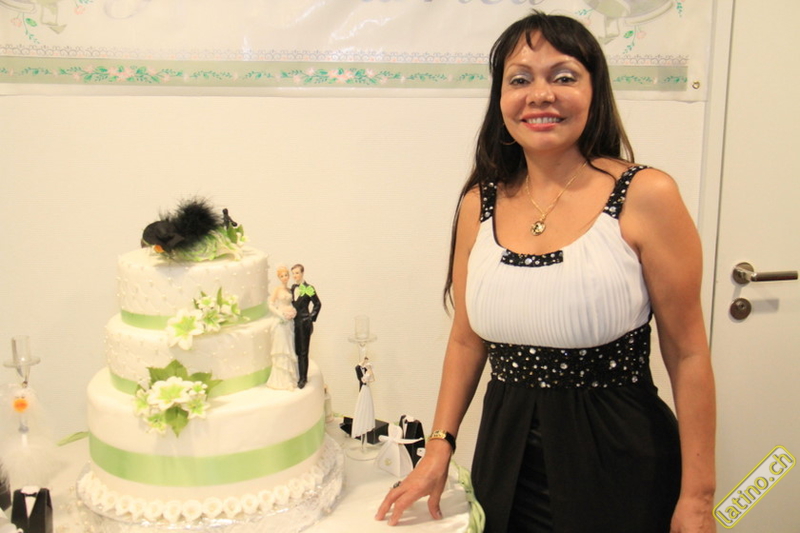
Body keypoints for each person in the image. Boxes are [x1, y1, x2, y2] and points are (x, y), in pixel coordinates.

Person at [376, 11, 715, 533]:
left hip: (620, 461)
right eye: (520, 79)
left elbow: (688, 352)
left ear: (594, 92)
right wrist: (439, 448)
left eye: (564, 76)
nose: (540, 95)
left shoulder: (646, 195)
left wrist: (698, 498)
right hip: (505, 457)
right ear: (501, 99)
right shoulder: (479, 203)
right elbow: (466, 339)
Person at [266, 266, 299, 391]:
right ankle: (281, 381)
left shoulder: (290, 290)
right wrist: (280, 314)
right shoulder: (277, 290)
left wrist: (293, 311)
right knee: (282, 348)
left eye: (286, 275)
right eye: (282, 276)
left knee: (289, 347)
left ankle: (290, 379)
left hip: (289, 322)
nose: (284, 277)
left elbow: (292, 303)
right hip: (280, 321)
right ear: (279, 277)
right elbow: (270, 304)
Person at [290, 264, 321, 389]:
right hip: (293, 323)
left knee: (303, 352)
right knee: (296, 350)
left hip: (304, 324)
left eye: (297, 273)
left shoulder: (308, 288)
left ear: (302, 273)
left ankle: (303, 378)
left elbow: (317, 304)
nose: (295, 276)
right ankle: (297, 374)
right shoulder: (293, 288)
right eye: (293, 273)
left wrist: (310, 317)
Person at [351, 356, 376, 440]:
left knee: (367, 405)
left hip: (367, 388)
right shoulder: (361, 368)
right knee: (362, 404)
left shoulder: (368, 371)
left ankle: (366, 423)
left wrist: (367, 379)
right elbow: (361, 376)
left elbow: (372, 379)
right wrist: (365, 378)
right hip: (364, 388)